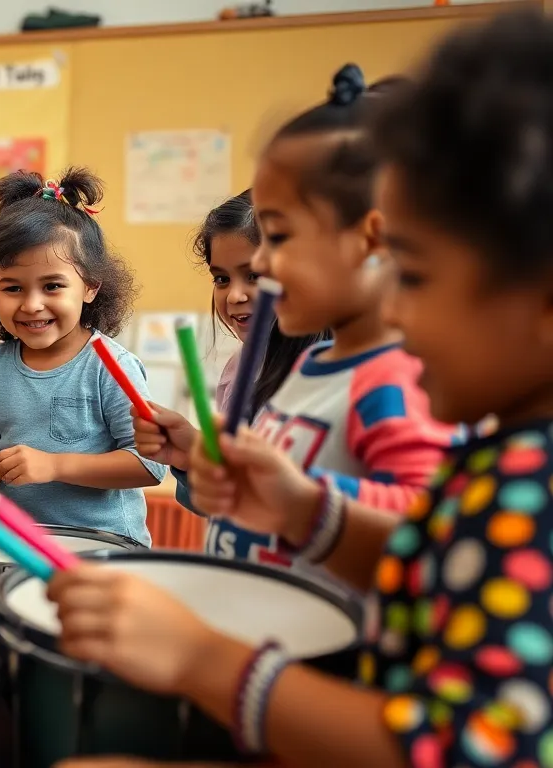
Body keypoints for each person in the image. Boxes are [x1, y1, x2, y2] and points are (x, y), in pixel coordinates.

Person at [51, 14, 553, 765]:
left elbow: (459, 749)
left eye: (413, 276)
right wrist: (302, 510)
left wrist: (201, 660)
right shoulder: (504, 459)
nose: (395, 315)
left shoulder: (530, 490)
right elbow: (423, 569)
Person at [196, 65, 453, 572]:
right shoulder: (311, 364)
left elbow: (430, 533)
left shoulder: (397, 379)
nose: (262, 263)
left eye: (278, 237)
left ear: (372, 239)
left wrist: (302, 505)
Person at [0, 168, 163, 546]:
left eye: (52, 286)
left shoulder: (110, 366)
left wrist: (54, 465)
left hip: (106, 546)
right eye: (12, 288)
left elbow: (150, 465)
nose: (32, 304)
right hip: (23, 548)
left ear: (90, 287)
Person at [133, 191, 327, 513]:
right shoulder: (238, 370)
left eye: (254, 276)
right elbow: (223, 506)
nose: (235, 295)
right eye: (221, 279)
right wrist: (193, 456)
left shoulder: (329, 374)